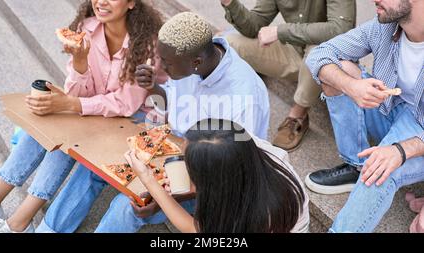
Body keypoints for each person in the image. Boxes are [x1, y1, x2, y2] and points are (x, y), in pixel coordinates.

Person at [36, 12, 270, 233]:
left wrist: (163, 199)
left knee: (126, 206)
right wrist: (153, 88)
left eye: (166, 64)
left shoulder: (243, 98)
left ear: (196, 61)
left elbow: (230, 174)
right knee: (97, 166)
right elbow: (173, 105)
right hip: (172, 147)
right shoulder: (192, 60)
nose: (161, 68)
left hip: (211, 179)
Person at [0, 0, 165, 233]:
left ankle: (19, 223)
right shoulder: (88, 27)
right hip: (99, 112)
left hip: (137, 123)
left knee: (68, 132)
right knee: (50, 124)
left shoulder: (147, 43)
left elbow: (126, 103)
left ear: (132, 2)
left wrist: (71, 103)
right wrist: (80, 61)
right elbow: (78, 93)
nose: (101, 1)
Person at [305, 0, 424, 232]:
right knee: (338, 69)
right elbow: (319, 54)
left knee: (380, 168)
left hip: (419, 134)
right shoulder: (384, 26)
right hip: (392, 108)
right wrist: (351, 86)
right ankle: (355, 165)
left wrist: (400, 150)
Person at [127, 118, 309, 233]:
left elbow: (197, 229)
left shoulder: (262, 213)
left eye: (188, 164)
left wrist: (150, 181)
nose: (182, 164)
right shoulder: (241, 145)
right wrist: (167, 197)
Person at [219, 0, 356, 151]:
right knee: (230, 42)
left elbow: (340, 29)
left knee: (316, 53)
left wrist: (280, 32)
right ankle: (236, 91)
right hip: (295, 50)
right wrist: (230, 3)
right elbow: (255, 25)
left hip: (330, 58)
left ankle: (298, 115)